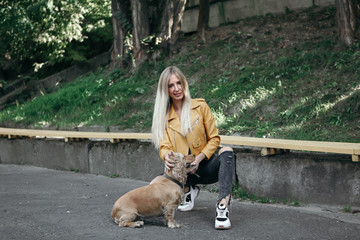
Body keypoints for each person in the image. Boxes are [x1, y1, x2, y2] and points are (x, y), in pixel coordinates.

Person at [151, 66, 236, 230]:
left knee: (227, 151)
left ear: (184, 83)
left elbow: (214, 138)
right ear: (165, 90)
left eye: (179, 83)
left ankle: (223, 206)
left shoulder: (200, 107)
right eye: (171, 85)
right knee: (153, 184)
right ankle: (188, 189)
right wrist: (166, 155)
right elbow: (164, 145)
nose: (176, 89)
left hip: (205, 167)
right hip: (183, 173)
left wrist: (199, 159)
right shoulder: (164, 116)